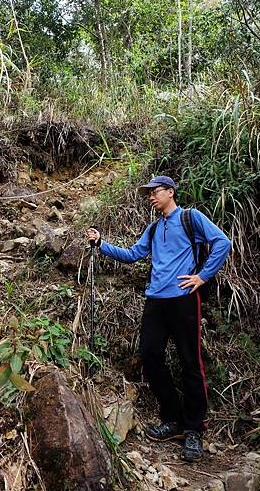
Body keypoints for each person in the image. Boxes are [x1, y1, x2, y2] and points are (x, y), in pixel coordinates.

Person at [88, 175, 231, 462]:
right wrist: (101, 243)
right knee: (151, 356)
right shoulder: (154, 229)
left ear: (170, 192)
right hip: (155, 300)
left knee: (191, 362)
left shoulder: (191, 218)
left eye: (155, 192)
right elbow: (132, 254)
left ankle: (194, 430)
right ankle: (173, 420)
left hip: (183, 299)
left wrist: (202, 277)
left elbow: (222, 242)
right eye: (149, 193)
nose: (151, 197)